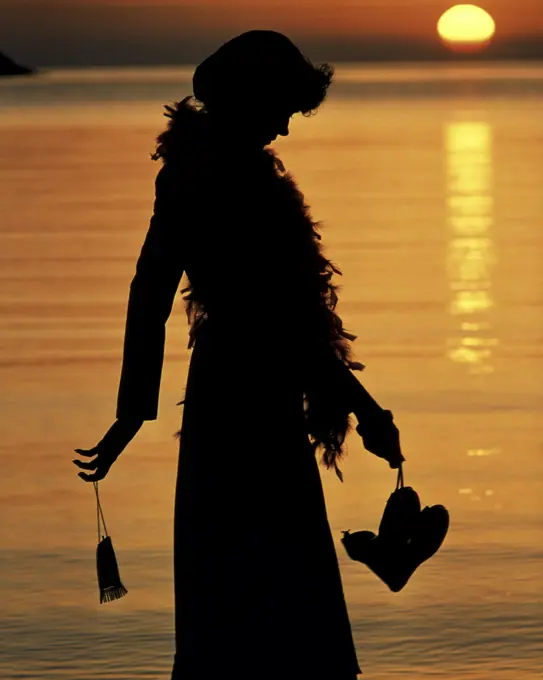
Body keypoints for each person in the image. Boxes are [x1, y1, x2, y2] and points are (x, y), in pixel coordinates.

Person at [73, 30, 405, 680]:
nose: (284, 127)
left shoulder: (187, 173)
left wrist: (133, 412)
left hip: (218, 390)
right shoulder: (242, 186)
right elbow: (288, 323)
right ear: (253, 100)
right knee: (281, 582)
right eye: (281, 107)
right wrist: (367, 410)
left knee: (223, 575)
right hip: (255, 399)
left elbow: (149, 291)